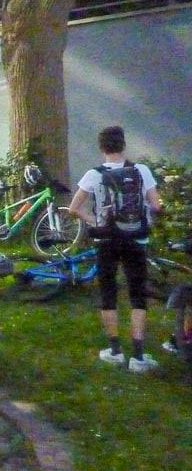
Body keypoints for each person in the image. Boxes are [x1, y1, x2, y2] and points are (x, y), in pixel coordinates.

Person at [68, 126, 163, 372]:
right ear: (123, 145)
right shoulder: (141, 171)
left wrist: (95, 221)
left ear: (101, 148)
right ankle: (139, 356)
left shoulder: (94, 174)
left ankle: (115, 351)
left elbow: (74, 208)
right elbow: (156, 205)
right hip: (136, 239)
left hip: (106, 241)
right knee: (137, 293)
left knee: (108, 292)